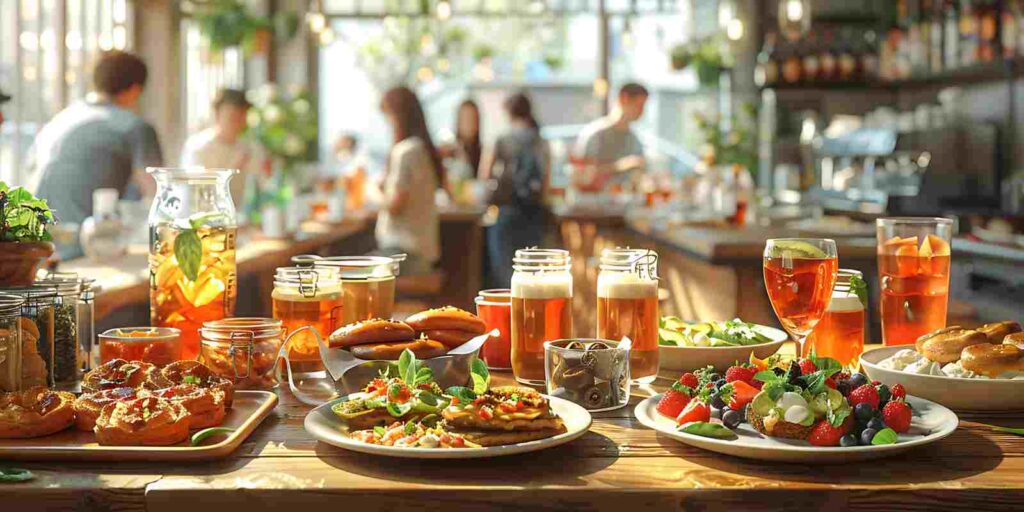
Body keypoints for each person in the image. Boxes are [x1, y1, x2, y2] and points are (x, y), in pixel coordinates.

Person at [28, 50, 163, 231]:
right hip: (86, 245)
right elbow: (159, 194)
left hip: (36, 242)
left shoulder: (61, 119)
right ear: (135, 89)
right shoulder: (133, 127)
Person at [481, 92, 550, 287]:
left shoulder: (502, 139)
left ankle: (507, 316)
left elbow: (484, 175)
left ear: (508, 112)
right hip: (534, 215)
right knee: (532, 275)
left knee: (504, 275)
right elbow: (546, 184)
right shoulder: (541, 141)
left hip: (506, 212)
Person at [376, 86, 443, 275]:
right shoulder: (423, 149)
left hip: (404, 254)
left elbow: (396, 206)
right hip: (422, 255)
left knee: (344, 275)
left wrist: (372, 192)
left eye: (388, 118)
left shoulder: (405, 151)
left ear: (398, 117)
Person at [180, 88, 263, 207]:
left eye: (242, 115)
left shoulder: (248, 147)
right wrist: (234, 166)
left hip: (234, 218)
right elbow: (197, 194)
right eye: (232, 116)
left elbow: (262, 185)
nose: (238, 122)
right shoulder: (199, 147)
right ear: (218, 114)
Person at [572, 82, 649, 192]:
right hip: (592, 205)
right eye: (639, 105)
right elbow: (581, 176)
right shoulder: (595, 134)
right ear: (624, 99)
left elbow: (639, 180)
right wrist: (620, 166)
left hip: (625, 205)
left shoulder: (635, 140)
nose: (642, 111)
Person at [439, 99, 482, 178]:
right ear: (458, 121)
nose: (469, 123)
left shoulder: (483, 153)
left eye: (472, 118)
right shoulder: (448, 150)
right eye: (465, 118)